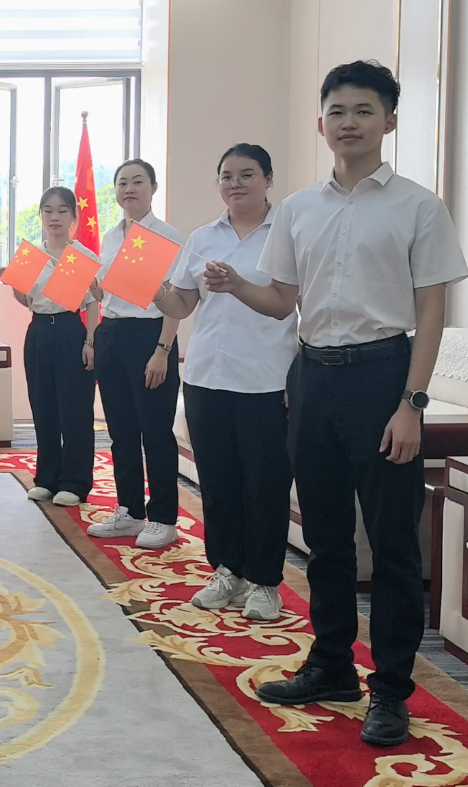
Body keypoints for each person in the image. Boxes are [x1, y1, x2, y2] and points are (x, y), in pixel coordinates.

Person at [204, 61, 467, 748]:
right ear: (320, 124)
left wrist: (412, 403)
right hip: (312, 378)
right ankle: (331, 666)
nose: (349, 122)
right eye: (338, 111)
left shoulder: (418, 206)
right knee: (323, 539)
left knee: (392, 545)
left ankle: (392, 689)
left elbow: (431, 311)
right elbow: (282, 302)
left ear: (390, 121)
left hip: (383, 377)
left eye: (364, 110)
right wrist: (234, 285)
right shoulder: (298, 208)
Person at [150, 143, 298, 621]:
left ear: (268, 179)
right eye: (226, 176)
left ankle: (265, 582)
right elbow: (181, 304)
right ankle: (227, 571)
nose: (235, 184)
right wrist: (151, 286)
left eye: (246, 174)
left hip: (265, 379)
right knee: (217, 483)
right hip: (206, 377)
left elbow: (286, 305)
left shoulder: (286, 234)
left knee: (265, 484)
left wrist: (238, 283)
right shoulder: (202, 237)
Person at [87, 159, 185, 549]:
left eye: (138, 182)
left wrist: (163, 350)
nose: (129, 189)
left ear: (153, 187)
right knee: (121, 430)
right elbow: (109, 294)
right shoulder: (112, 236)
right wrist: (95, 289)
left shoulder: (166, 235)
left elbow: (176, 299)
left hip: (151, 336)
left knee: (155, 431)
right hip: (112, 333)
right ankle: (129, 510)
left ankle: (164, 517)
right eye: (122, 183)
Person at [9, 187, 101, 506]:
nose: (54, 217)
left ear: (74, 216)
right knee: (43, 406)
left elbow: (92, 303)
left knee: (74, 409)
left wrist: (91, 341)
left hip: (71, 330)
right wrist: (14, 283)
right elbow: (25, 299)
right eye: (47, 210)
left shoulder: (83, 256)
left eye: (62, 210)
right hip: (38, 332)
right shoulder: (31, 255)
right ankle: (46, 478)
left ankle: (75, 482)